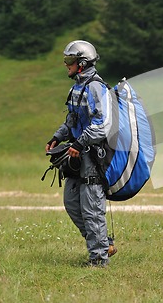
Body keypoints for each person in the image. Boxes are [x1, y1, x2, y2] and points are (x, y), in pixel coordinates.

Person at [45, 40, 116, 267]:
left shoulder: (96, 87)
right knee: (72, 203)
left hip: (94, 156)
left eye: (70, 61)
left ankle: (98, 259)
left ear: (82, 64)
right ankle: (104, 244)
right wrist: (58, 136)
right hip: (77, 154)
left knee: (92, 208)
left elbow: (102, 124)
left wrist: (80, 142)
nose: (67, 65)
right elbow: (72, 120)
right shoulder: (77, 87)